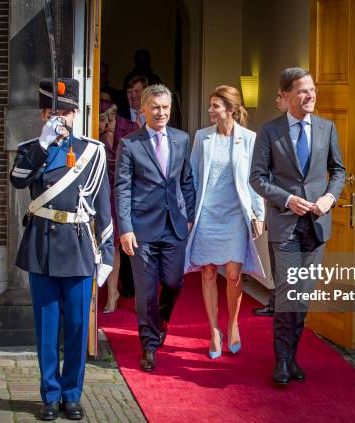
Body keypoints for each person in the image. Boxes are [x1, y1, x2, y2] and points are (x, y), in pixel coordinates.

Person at [10, 78, 114, 420]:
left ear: (76, 113)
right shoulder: (31, 148)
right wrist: (42, 144)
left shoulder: (93, 151)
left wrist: (108, 254)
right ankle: (50, 396)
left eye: (67, 112)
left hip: (79, 247)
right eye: (54, 112)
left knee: (77, 327)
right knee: (47, 328)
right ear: (43, 114)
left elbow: (103, 205)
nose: (62, 119)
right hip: (42, 247)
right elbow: (18, 179)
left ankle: (72, 394)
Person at [250, 67, 346, 385]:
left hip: (316, 226)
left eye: (313, 90)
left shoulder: (327, 128)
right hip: (285, 225)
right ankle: (281, 362)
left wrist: (331, 197)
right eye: (303, 91)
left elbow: (339, 171)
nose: (310, 96)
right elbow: (257, 178)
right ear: (286, 95)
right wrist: (287, 199)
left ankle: (291, 355)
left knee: (302, 298)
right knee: (287, 293)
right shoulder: (269, 131)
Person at [116, 84, 196, 372]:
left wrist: (188, 215)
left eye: (165, 108)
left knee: (174, 283)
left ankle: (161, 317)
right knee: (146, 290)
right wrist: (125, 228)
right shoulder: (130, 143)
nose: (161, 113)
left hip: (174, 226)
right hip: (141, 229)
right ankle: (149, 345)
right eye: (156, 108)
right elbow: (122, 188)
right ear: (144, 110)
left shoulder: (182, 139)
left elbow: (187, 179)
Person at [185, 85, 265, 359]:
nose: (210, 111)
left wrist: (259, 214)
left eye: (215, 106)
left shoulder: (249, 138)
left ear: (230, 110)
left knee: (233, 275)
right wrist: (189, 215)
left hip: (235, 216)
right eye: (210, 106)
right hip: (207, 214)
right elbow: (193, 178)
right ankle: (213, 332)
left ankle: (232, 326)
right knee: (208, 273)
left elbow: (255, 180)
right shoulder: (202, 137)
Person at [99, 92, 139, 313]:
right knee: (112, 244)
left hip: (128, 194)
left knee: (134, 245)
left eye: (106, 120)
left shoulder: (131, 128)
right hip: (105, 193)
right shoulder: (96, 133)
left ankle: (142, 293)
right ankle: (112, 294)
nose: (104, 125)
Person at [253, 88, 289, 318]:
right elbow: (259, 175)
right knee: (277, 267)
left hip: (302, 212)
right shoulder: (270, 131)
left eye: (279, 96)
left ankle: (282, 306)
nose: (275, 100)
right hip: (277, 208)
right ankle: (277, 302)